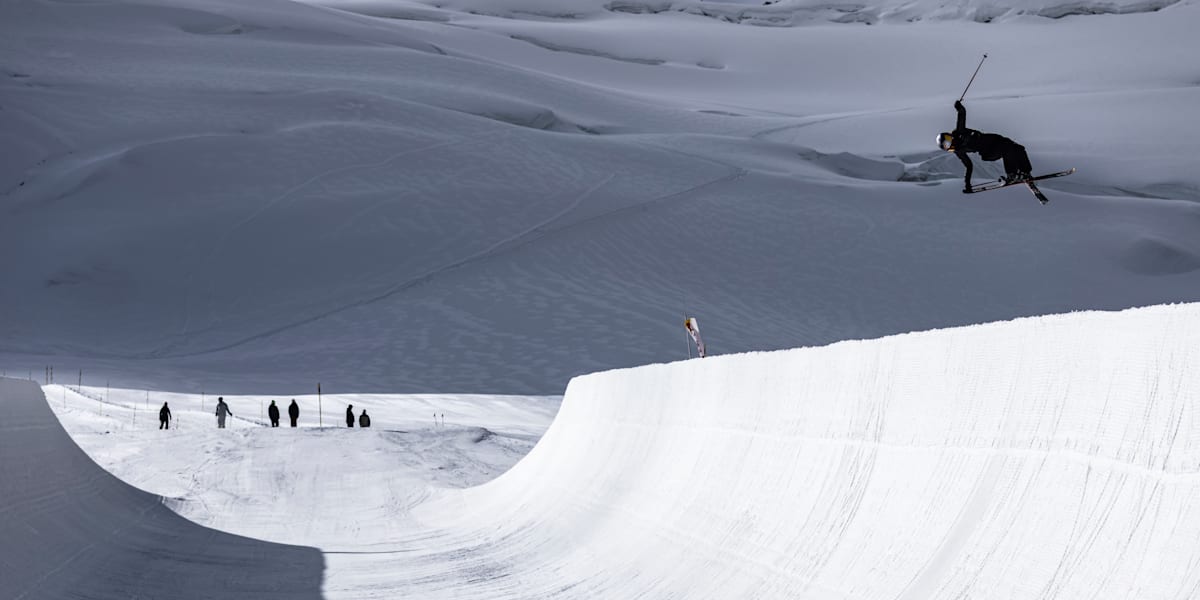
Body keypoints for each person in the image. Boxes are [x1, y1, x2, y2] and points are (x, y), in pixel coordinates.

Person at [938, 100, 1033, 193]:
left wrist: (958, 106)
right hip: (988, 152)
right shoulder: (959, 151)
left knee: (1018, 148)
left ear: (949, 136)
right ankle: (1012, 175)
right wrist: (967, 184)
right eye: (947, 146)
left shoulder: (959, 132)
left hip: (994, 139)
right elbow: (969, 166)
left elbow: (962, 114)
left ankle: (1025, 172)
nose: (950, 144)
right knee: (1007, 149)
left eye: (948, 141)